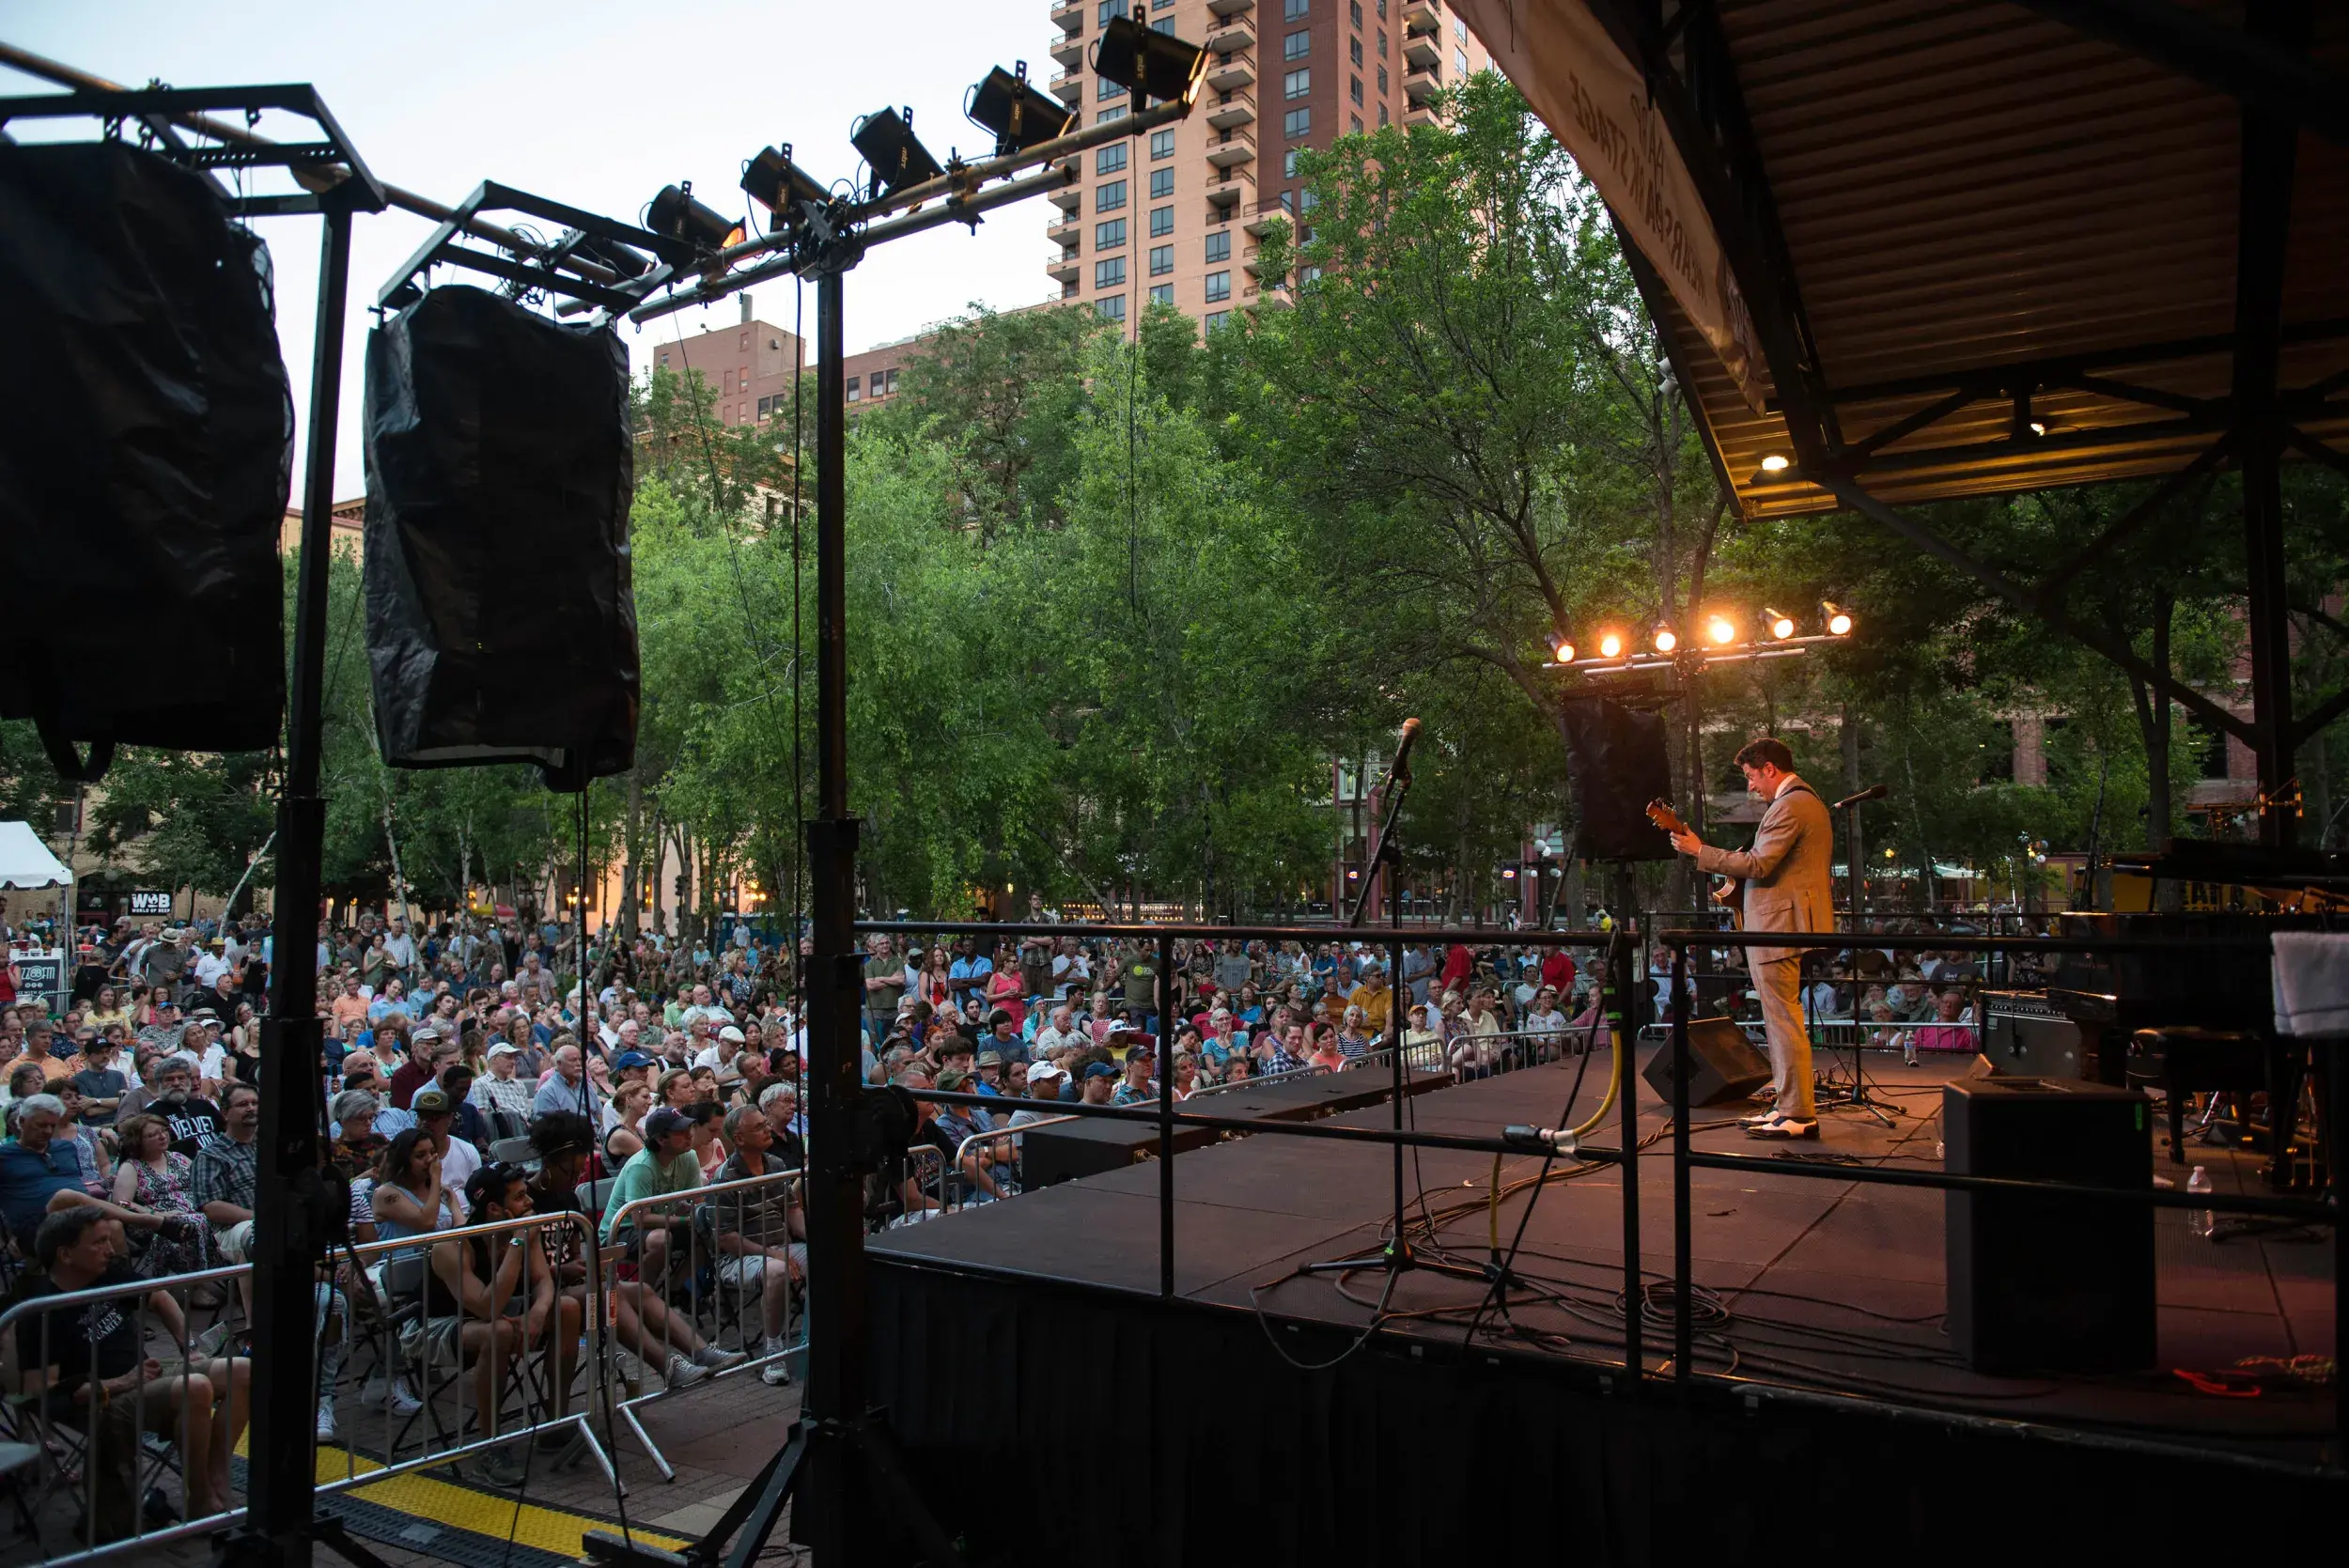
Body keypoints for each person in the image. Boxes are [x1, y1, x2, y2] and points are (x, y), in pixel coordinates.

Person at [16, 1208, 253, 1532]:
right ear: (66, 1254)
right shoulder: (40, 1310)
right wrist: (118, 1382)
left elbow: (159, 1297)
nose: (111, 1249)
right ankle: (199, 1498)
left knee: (242, 1371)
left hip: (145, 1376)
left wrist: (190, 1349)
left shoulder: (106, 1276)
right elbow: (45, 1392)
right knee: (195, 1387)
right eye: (98, 1242)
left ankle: (217, 1476)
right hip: (104, 1397)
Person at [1668, 736, 1833, 1140]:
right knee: (1781, 1020)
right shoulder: (1799, 801)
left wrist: (1700, 850)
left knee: (1783, 1022)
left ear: (1770, 769)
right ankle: (1788, 1105)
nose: (1750, 786)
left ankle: (1797, 1112)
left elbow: (1759, 864)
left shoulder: (1790, 804)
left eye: (1751, 776)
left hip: (1779, 928)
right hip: (1780, 925)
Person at [522, 1113, 742, 1393]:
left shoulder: (568, 1198)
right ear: (556, 1158)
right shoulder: (526, 1199)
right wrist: (562, 1271)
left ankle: (702, 1352)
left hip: (572, 1284)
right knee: (607, 1294)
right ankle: (669, 1366)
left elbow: (576, 1251)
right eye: (573, 1171)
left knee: (642, 1291)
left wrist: (584, 1264)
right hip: (538, 1290)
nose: (579, 1176)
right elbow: (520, 1264)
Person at [421, 1164, 578, 1489]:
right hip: (437, 1325)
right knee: (501, 1331)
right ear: (494, 1208)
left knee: (568, 1307)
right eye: (521, 1197)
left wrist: (538, 1312)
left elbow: (544, 1283)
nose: (530, 1202)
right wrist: (518, 1244)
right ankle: (488, 1447)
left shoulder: (524, 1227)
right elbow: (486, 1307)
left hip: (496, 1315)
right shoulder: (453, 1246)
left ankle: (557, 1421)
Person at [711, 1105, 807, 1383]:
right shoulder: (725, 1177)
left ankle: (817, 1337)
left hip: (782, 1249)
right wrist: (773, 1254)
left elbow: (792, 1212)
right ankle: (773, 1353)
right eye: (759, 1127)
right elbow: (726, 1238)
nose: (768, 1130)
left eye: (766, 1124)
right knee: (775, 1271)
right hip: (739, 1258)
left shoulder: (775, 1165)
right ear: (739, 1138)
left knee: (832, 1255)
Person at [1, 1094, 167, 1254]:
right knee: (64, 1197)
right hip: (37, 1226)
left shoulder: (65, 1148)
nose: (47, 1131)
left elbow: (78, 1186)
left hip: (79, 1217)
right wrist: (8, 1236)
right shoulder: (5, 1156)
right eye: (41, 1125)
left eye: (52, 1125)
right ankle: (148, 1219)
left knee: (114, 1226)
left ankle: (121, 1279)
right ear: (22, 1122)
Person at [110, 1111, 212, 1279]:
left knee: (217, 1217)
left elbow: (202, 1185)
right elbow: (122, 1203)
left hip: (192, 1211)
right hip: (153, 1221)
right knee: (193, 1223)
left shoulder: (179, 1158)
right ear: (138, 1141)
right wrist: (158, 1215)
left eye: (164, 1131)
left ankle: (225, 1275)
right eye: (153, 1135)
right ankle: (196, 1283)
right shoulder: (132, 1167)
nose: (162, 1136)